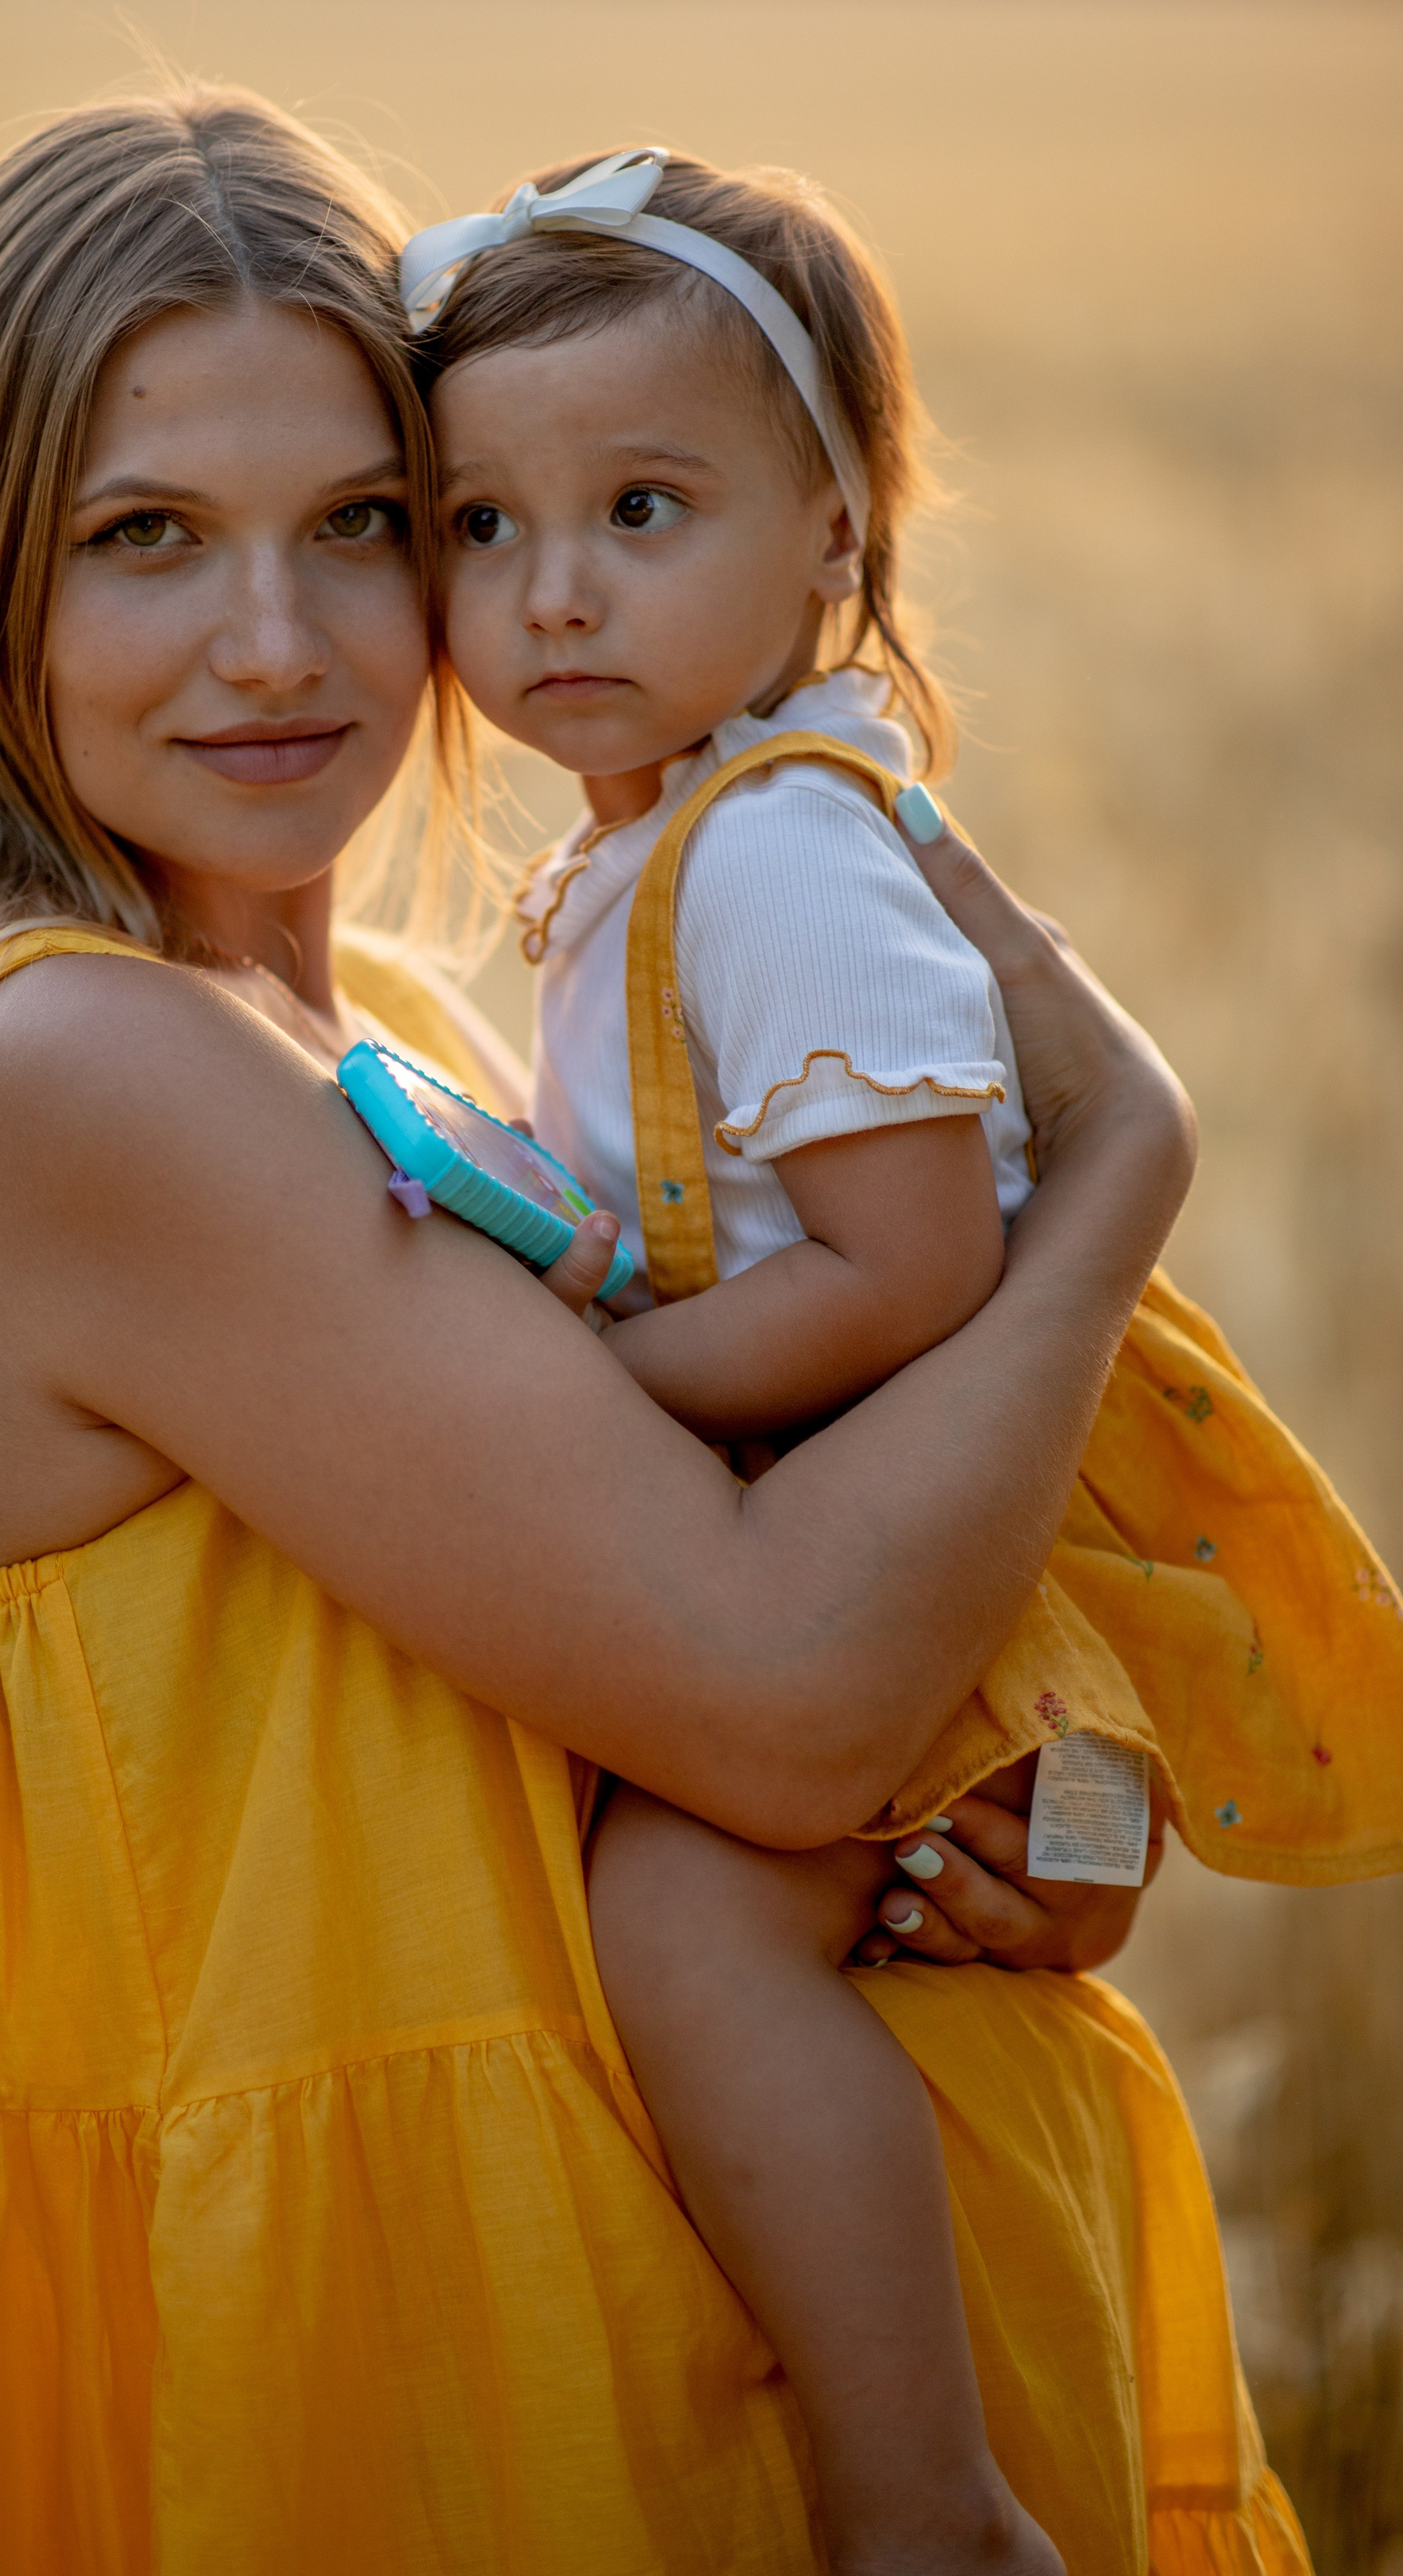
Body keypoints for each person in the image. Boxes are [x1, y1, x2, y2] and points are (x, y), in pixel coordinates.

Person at [0, 87, 1311, 2576]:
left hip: (634, 2310)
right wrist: (1115, 1177)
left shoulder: (392, 1045)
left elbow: (737, 1692)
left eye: (365, 531)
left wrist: (999, 1833)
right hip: (379, 2372)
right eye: (142, 539)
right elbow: (782, 1690)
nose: (279, 645)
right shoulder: (82, 1071)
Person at [416, 142, 1402, 2567]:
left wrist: (583, 1390)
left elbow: (910, 1272)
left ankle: (921, 2495)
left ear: (836, 530)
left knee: (684, 1924)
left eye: (644, 508)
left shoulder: (775, 855)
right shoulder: (659, 841)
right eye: (472, 525)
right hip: (832, 1503)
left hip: (905, 1526)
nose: (551, 595)